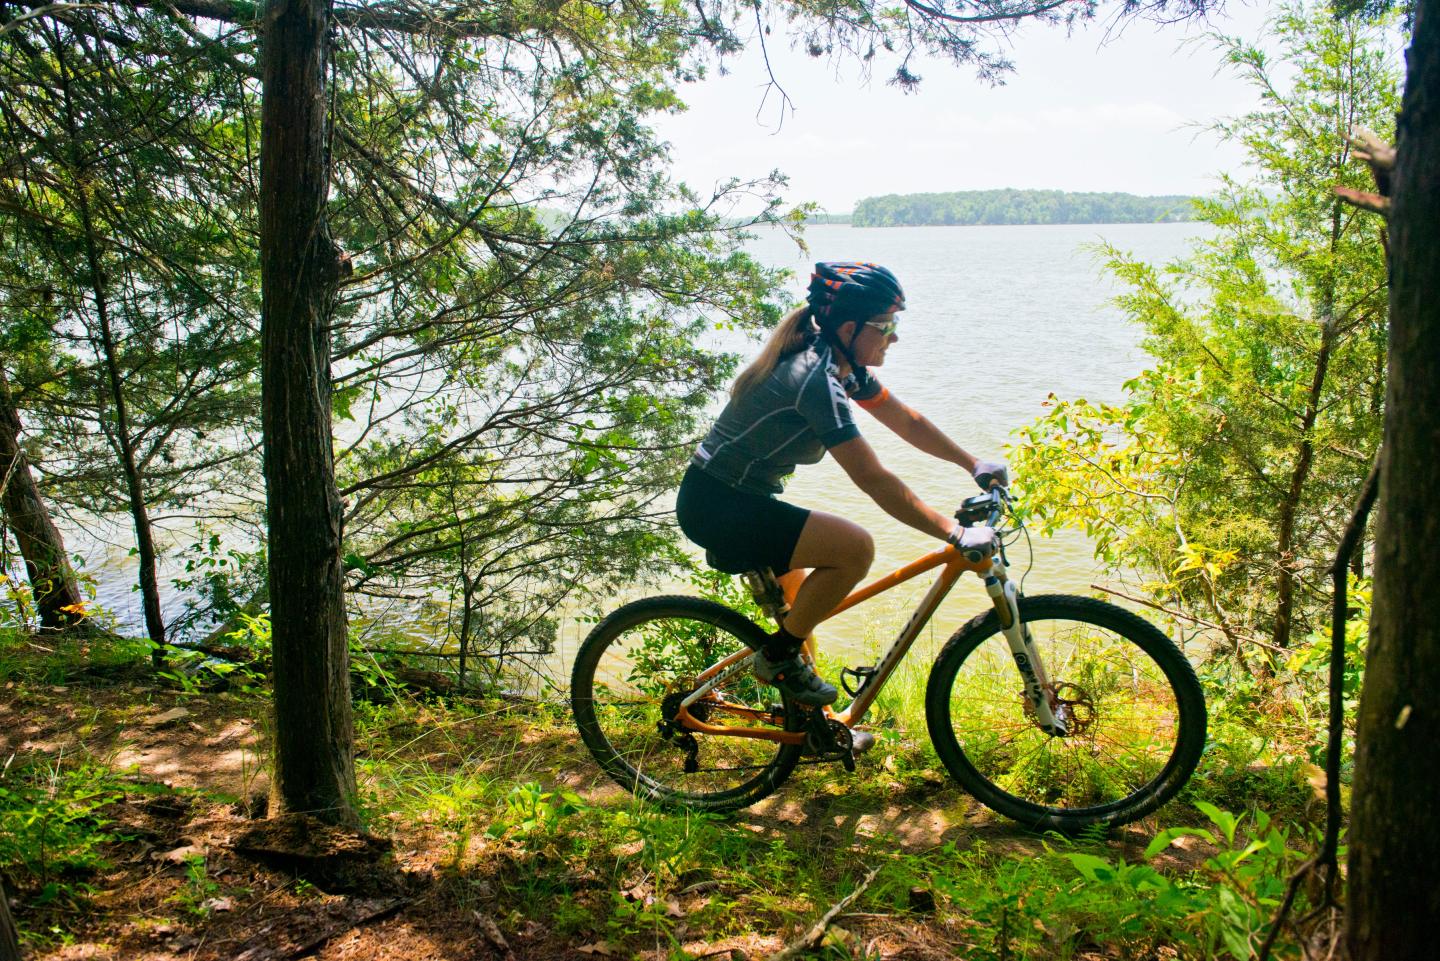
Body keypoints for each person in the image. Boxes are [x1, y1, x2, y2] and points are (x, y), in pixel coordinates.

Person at [676, 261, 1007, 708]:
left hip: (738, 500)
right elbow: (871, 477)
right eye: (885, 326)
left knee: (800, 619)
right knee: (854, 549)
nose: (894, 336)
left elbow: (905, 421)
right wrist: (953, 531)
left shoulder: (842, 366)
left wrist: (973, 463)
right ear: (850, 327)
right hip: (719, 506)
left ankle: (816, 723)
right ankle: (775, 656)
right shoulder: (813, 379)